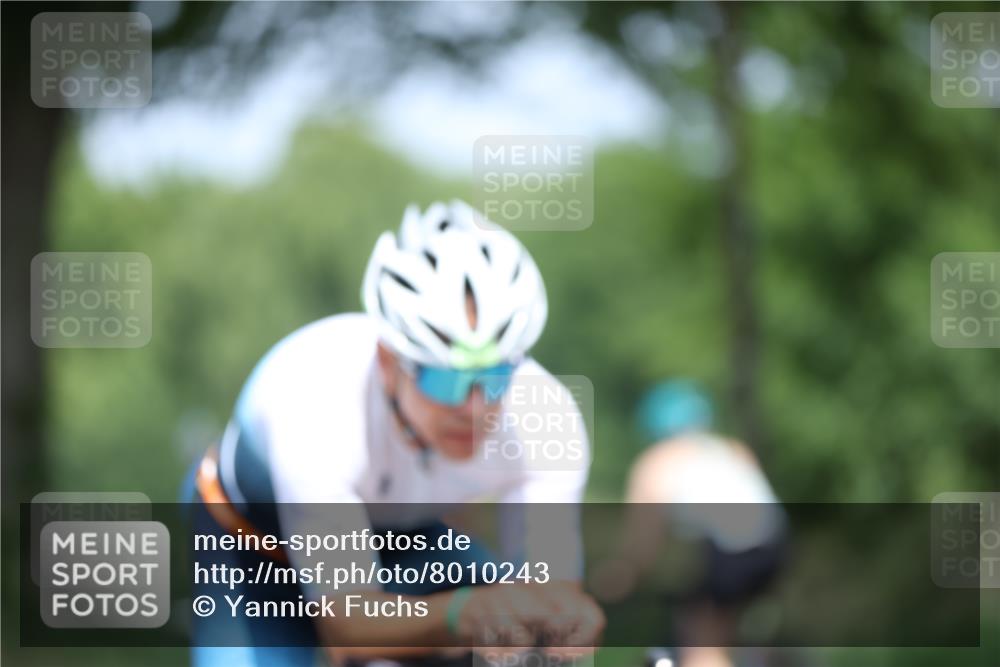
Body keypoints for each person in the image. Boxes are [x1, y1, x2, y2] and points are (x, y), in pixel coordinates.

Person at [189, 201, 603, 667]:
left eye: (496, 378)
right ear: (389, 364)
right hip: (252, 545)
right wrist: (464, 615)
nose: (474, 407)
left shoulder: (544, 417)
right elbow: (349, 630)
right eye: (444, 380)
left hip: (404, 537)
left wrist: (561, 620)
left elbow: (547, 592)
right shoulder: (317, 402)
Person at [592, 380, 785, 667]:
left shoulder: (657, 461)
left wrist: (622, 576)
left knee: (698, 641)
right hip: (776, 547)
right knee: (719, 630)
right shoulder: (731, 448)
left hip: (732, 551)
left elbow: (644, 540)